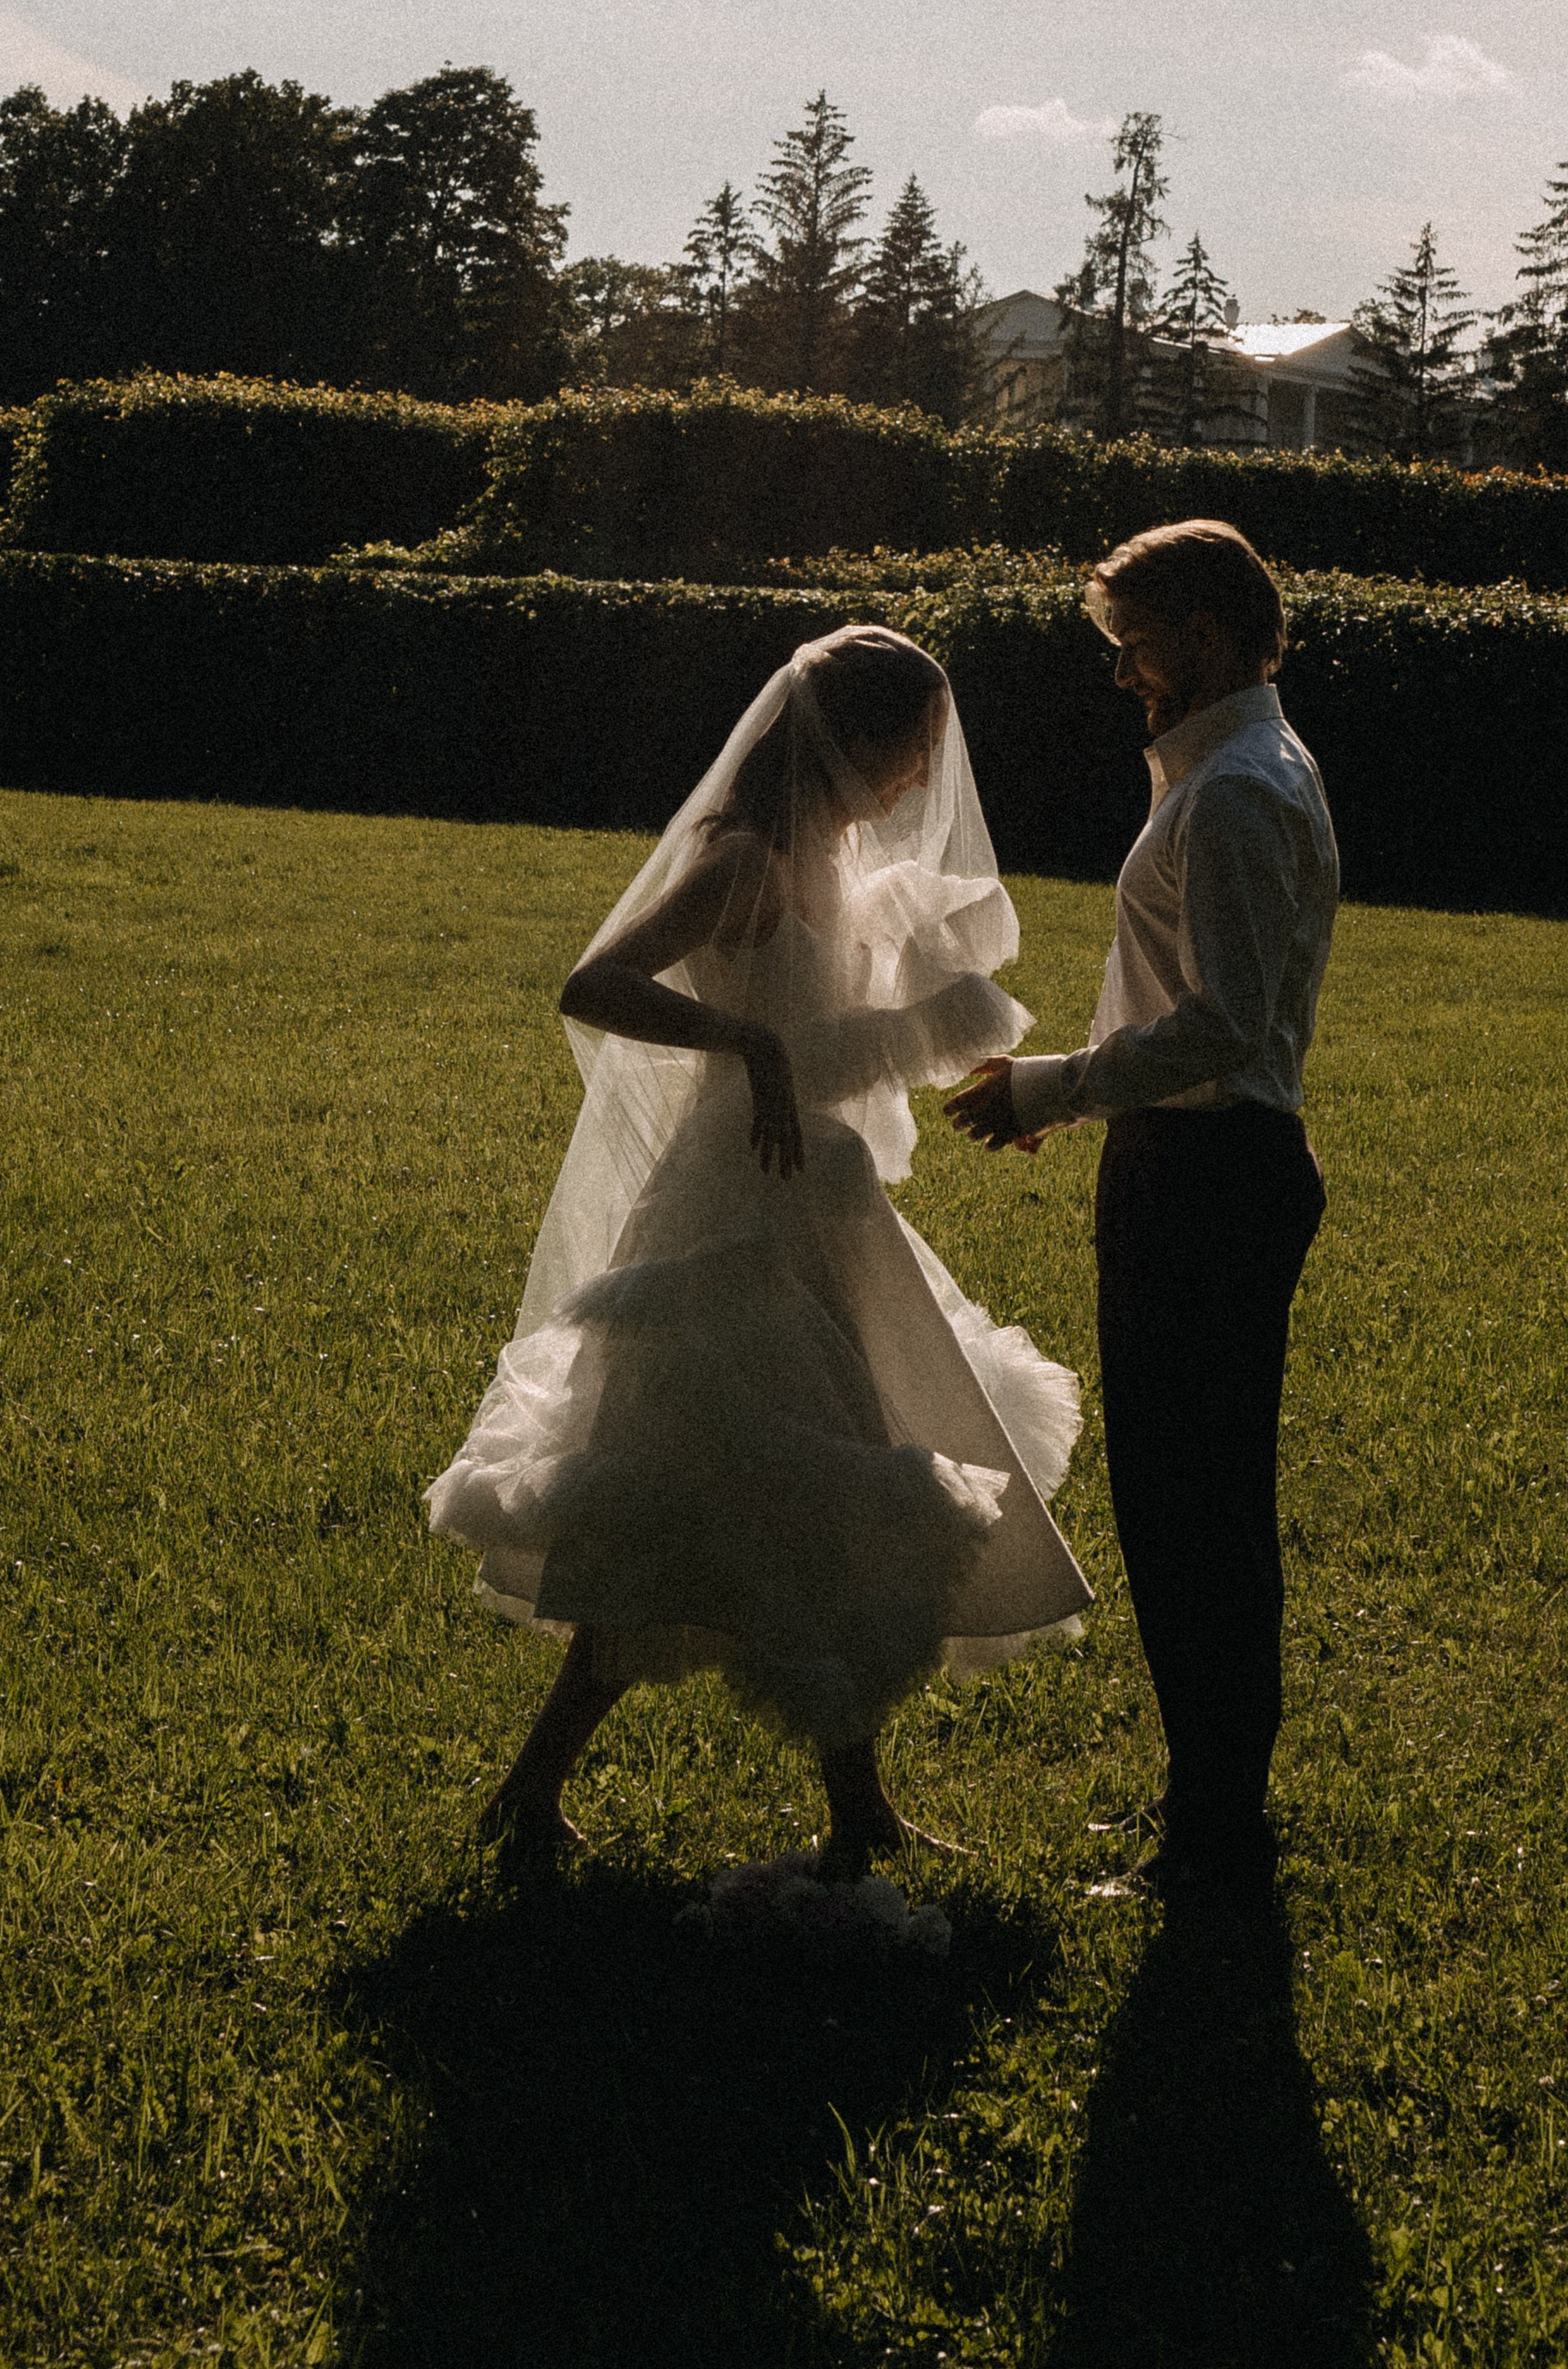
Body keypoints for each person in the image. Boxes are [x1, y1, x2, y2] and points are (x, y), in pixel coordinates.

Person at [428, 625, 1091, 1878]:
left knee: (831, 1484)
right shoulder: (749, 859)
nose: (922, 777)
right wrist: (747, 1043)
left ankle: (847, 1808)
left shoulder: (834, 866)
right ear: (855, 741)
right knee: (719, 1480)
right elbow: (596, 983)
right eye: (913, 750)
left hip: (817, 1197)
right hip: (735, 1210)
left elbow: (827, 1035)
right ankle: (536, 1789)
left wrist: (929, 1027)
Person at [945, 521, 1338, 1897]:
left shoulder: (1235, 792)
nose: (1121, 674)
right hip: (1194, 1163)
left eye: (1137, 645)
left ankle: (1217, 1832)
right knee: (1186, 1505)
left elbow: (1226, 1026)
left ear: (1209, 637)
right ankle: (1205, 1799)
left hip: (1209, 1178)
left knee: (1196, 1514)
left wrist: (1051, 1085)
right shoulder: (1232, 770)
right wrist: (1079, 1102)